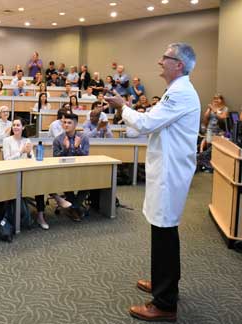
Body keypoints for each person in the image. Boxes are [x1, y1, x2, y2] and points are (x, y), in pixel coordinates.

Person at [105, 43, 200, 322]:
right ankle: (164, 282)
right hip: (168, 169)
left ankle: (165, 302)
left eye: (165, 58)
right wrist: (131, 113)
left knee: (164, 232)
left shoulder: (181, 92)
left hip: (171, 172)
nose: (160, 62)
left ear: (178, 64)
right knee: (163, 231)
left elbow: (146, 125)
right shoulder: (176, 90)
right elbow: (150, 123)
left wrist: (123, 106)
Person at [2, 117, 49, 229]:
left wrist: (28, 154)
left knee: (40, 186)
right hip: (12, 174)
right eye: (14, 125)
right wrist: (21, 152)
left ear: (23, 127)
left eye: (18, 125)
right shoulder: (7, 141)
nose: (15, 127)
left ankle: (40, 216)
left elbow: (31, 158)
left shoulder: (27, 141)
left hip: (26, 172)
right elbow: (6, 160)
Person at [52, 113, 90, 222]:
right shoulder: (58, 139)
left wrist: (77, 147)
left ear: (76, 124)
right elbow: (55, 158)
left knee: (90, 182)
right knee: (66, 182)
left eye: (69, 123)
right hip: (63, 171)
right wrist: (65, 148)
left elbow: (85, 156)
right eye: (64, 122)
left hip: (80, 170)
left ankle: (73, 207)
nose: (66, 125)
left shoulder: (83, 138)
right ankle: (75, 208)